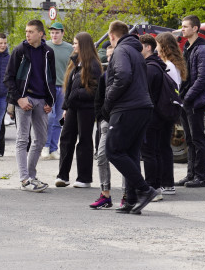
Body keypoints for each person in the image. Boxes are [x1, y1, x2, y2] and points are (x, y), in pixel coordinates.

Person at [104, 20, 157, 213]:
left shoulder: (120, 51)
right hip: (142, 106)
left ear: (112, 36)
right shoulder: (136, 52)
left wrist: (108, 99)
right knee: (131, 154)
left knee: (113, 151)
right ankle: (132, 198)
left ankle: (144, 190)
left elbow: (123, 76)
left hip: (127, 108)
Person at [5, 20, 60, 193]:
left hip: (41, 100)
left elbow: (51, 78)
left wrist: (50, 101)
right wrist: (19, 99)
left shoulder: (48, 52)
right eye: (26, 31)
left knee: (41, 139)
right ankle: (24, 180)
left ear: (40, 34)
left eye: (31, 31)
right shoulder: (20, 50)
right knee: (22, 139)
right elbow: (8, 78)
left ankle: (31, 176)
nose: (27, 34)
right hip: (24, 99)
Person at [55, 32, 102, 189]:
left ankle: (84, 177)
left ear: (83, 45)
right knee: (66, 139)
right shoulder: (75, 63)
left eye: (75, 43)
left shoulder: (93, 64)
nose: (73, 46)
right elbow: (69, 87)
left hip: (86, 109)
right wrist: (66, 107)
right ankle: (63, 175)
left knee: (84, 141)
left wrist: (77, 94)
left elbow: (95, 90)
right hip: (73, 107)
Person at [178, 15, 205, 188]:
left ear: (195, 29)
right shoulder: (188, 48)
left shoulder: (202, 50)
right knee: (190, 139)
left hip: (195, 101)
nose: (182, 29)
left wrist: (188, 97)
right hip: (187, 100)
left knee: (198, 139)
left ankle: (201, 177)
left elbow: (202, 78)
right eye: (182, 26)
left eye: (186, 26)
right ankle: (191, 174)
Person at [139, 34, 173, 200]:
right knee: (155, 151)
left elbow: (146, 93)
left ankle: (152, 187)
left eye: (140, 46)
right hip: (158, 114)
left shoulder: (150, 68)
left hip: (150, 115)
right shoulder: (157, 65)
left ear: (148, 47)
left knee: (149, 153)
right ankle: (157, 186)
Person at [156, 32, 187, 195]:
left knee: (162, 147)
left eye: (158, 45)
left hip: (165, 109)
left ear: (164, 47)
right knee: (164, 146)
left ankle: (167, 182)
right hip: (170, 108)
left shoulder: (168, 66)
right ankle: (167, 182)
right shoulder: (174, 65)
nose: (156, 48)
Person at [89, 40, 118, 210]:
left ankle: (126, 194)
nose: (109, 59)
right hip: (106, 121)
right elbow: (98, 99)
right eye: (107, 56)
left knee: (123, 157)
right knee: (101, 156)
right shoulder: (104, 76)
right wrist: (100, 118)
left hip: (121, 120)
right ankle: (105, 194)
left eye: (112, 55)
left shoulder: (124, 74)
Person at [42, 23, 75, 161]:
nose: (54, 35)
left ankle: (54, 148)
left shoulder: (69, 48)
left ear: (62, 33)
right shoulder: (45, 46)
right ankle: (45, 146)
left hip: (63, 87)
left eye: (57, 32)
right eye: (52, 33)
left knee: (59, 119)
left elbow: (74, 67)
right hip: (48, 87)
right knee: (49, 117)